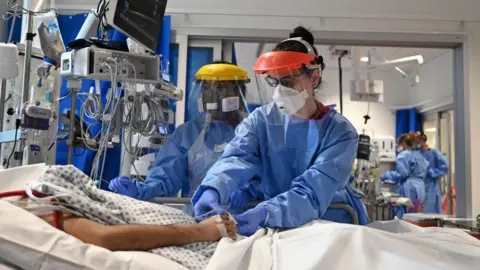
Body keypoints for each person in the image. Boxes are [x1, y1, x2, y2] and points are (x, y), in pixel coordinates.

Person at [192, 26, 370, 236]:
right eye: (274, 81)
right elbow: (236, 158)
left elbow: (313, 191)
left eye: (287, 81)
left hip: (330, 224)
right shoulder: (261, 121)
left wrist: (266, 212)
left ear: (313, 78)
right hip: (276, 224)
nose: (279, 91)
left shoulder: (340, 132)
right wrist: (211, 189)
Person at [109, 62, 252, 209]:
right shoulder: (188, 133)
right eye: (206, 88)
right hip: (200, 215)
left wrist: (250, 191)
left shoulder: (252, 130)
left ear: (236, 92)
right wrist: (143, 189)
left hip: (246, 219)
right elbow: (167, 174)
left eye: (219, 88)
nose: (211, 95)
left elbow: (268, 174)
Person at [380, 133, 429, 218]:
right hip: (420, 187)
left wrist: (386, 175)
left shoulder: (404, 155)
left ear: (404, 143)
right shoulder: (420, 155)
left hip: (409, 188)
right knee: (416, 215)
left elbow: (402, 173)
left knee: (404, 215)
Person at [417, 131, 449, 214]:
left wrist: (431, 172)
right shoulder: (416, 154)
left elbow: (444, 168)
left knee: (430, 211)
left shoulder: (434, 153)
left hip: (430, 186)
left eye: (418, 140)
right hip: (418, 186)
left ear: (422, 140)